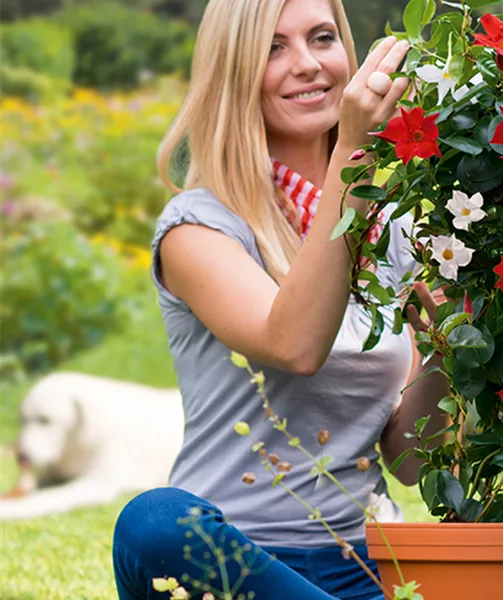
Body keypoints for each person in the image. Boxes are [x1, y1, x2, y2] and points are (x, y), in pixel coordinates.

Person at [111, 0, 449, 598]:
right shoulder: (199, 227)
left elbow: (410, 462)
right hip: (233, 564)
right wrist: (355, 154)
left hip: (362, 564)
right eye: (273, 47)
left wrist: (451, 344)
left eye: (322, 38)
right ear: (234, 70)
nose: (308, 65)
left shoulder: (391, 229)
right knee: (154, 525)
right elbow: (293, 344)